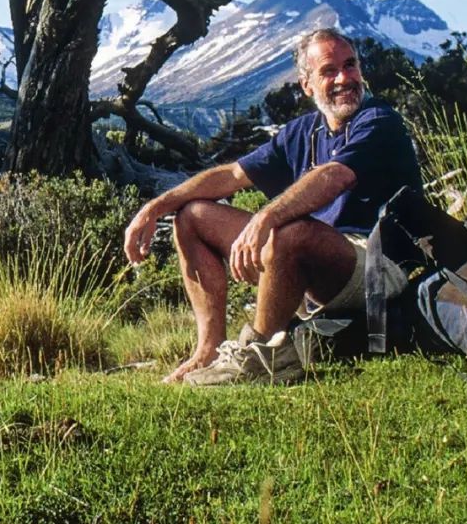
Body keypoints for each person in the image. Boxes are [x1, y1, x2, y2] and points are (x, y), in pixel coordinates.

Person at [124, 26, 421, 385]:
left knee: (289, 232)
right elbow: (233, 175)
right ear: (307, 85)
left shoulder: (378, 120)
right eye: (329, 70)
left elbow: (335, 175)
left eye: (350, 65)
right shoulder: (302, 131)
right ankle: (209, 350)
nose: (345, 78)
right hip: (315, 257)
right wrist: (156, 207)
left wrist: (266, 217)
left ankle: (260, 356)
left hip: (379, 265)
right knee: (192, 216)